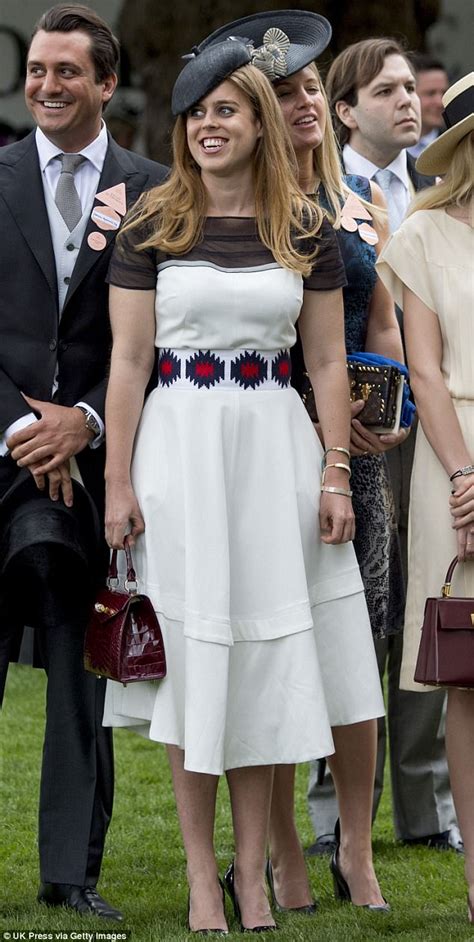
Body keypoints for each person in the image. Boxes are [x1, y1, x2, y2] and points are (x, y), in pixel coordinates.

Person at [102, 34, 384, 933]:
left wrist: (336, 474)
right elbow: (129, 359)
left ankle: (257, 876)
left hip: (278, 454)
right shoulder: (152, 222)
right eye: (195, 114)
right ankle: (199, 879)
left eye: (226, 110)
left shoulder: (306, 228)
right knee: (199, 670)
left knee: (268, 665)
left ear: (260, 123)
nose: (207, 127)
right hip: (181, 455)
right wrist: (116, 483)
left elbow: (330, 364)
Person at [197, 9, 404, 911]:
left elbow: (382, 313)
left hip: (361, 456)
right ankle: (282, 847)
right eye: (283, 95)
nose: (305, 103)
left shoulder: (357, 203)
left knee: (357, 660)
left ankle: (354, 847)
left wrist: (385, 401)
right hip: (274, 449)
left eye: (311, 87)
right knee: (274, 652)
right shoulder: (253, 205)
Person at [0, 2, 166, 919]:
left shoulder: (155, 190)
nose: (48, 86)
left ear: (106, 83)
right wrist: (23, 430)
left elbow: (161, 336)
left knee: (77, 669)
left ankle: (71, 876)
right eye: (37, 69)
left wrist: (89, 424)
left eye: (69, 72)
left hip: (99, 466)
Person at [320, 36, 461, 853]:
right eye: (388, 91)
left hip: (431, 419)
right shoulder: (319, 186)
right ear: (347, 110)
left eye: (412, 88)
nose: (409, 101)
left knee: (424, 603)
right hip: (349, 426)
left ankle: (423, 808)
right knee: (343, 607)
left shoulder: (436, 194)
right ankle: (332, 815)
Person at [377, 72, 474, 923]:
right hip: (456, 464)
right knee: (470, 680)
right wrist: (466, 477)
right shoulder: (420, 235)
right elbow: (427, 373)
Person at [407, 54, 449, 159]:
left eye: (444, 93)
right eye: (430, 93)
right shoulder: (387, 149)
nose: (440, 102)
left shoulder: (458, 149)